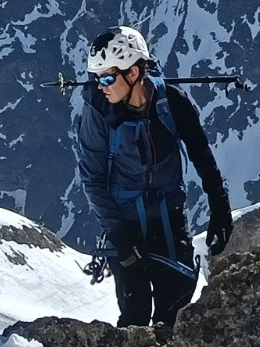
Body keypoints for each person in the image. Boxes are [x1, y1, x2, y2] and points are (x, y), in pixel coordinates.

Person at [76, 25, 234, 331]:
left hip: (169, 219)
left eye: (108, 77)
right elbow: (92, 178)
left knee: (174, 314)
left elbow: (202, 155)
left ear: (133, 73)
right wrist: (120, 237)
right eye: (97, 78)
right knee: (134, 315)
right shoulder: (97, 114)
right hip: (124, 222)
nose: (101, 86)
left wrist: (220, 208)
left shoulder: (172, 103)